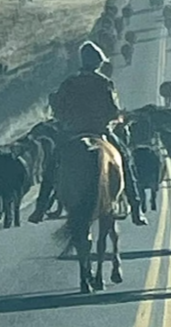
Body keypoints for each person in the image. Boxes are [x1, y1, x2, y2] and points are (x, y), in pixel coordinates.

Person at [28, 41, 148, 226]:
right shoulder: (104, 82)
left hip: (73, 132)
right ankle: (136, 207)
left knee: (52, 164)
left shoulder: (69, 82)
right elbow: (112, 110)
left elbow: (58, 108)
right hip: (100, 131)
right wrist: (115, 118)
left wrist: (68, 119)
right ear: (98, 63)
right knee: (125, 158)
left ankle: (41, 207)